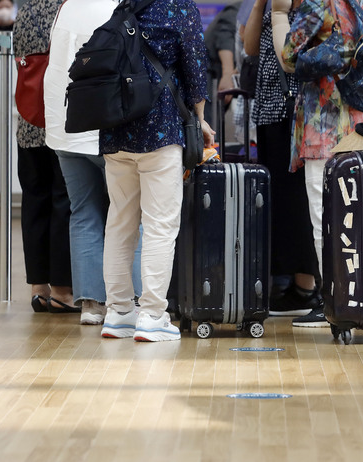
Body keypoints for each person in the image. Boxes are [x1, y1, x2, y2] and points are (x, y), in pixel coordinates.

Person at [279, 0, 363, 326]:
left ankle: (335, 300)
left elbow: (289, 57)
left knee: (327, 220)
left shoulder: (318, 3)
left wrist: (281, 16)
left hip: (326, 126)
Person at [99, 0, 214, 341]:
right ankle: (151, 315)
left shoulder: (125, 7)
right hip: (160, 129)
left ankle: (118, 312)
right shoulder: (179, 8)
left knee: (120, 221)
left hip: (116, 129)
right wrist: (200, 117)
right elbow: (195, 68)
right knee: (160, 226)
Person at [45, 0, 144, 325]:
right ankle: (132, 301)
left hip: (65, 128)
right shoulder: (116, 9)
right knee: (129, 215)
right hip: (104, 130)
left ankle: (91, 304)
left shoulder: (67, 8)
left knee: (83, 212)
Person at [244, 0, 322, 325]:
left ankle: (308, 286)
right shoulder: (274, 5)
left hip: (295, 109)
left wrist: (278, 12)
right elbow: (249, 47)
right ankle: (291, 282)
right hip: (269, 110)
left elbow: (288, 58)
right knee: (279, 198)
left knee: (299, 198)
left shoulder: (305, 8)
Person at [13, 0, 75, 314]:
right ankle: (63, 291)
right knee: (62, 201)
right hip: (60, 120)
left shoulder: (24, 12)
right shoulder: (68, 10)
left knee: (34, 200)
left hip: (28, 121)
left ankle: (39, 288)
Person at [203, 1, 240, 129]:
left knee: (214, 125)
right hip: (209, 73)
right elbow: (225, 39)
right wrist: (228, 74)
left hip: (217, 73)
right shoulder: (236, 10)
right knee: (210, 125)